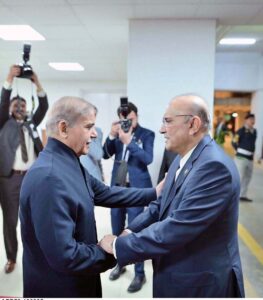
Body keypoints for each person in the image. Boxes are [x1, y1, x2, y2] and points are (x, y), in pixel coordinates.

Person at [99, 94, 245, 298]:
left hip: (200, 283)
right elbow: (159, 206)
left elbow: (177, 228)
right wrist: (130, 231)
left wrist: (117, 246)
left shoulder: (214, 167)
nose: (161, 129)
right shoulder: (181, 158)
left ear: (193, 124)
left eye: (168, 121)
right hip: (177, 273)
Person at [19, 96, 162, 298]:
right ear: (63, 128)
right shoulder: (49, 177)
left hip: (81, 281)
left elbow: (105, 192)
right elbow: (66, 257)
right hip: (61, 289)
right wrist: (112, 250)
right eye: (89, 127)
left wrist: (155, 193)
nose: (95, 134)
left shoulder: (69, 162)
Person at [0, 65, 48, 274]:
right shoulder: (3, 123)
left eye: (23, 105)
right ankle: (11, 257)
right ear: (10, 109)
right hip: (9, 179)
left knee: (35, 218)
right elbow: (2, 103)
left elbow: (44, 106)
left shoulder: (31, 124)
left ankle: (38, 255)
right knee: (10, 221)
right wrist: (10, 78)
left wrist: (36, 83)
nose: (20, 107)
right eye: (16, 105)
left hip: (32, 179)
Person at [103, 101, 155, 293]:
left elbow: (147, 158)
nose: (127, 122)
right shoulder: (117, 134)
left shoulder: (147, 134)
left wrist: (129, 142)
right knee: (116, 228)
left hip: (136, 191)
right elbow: (104, 154)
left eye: (131, 119)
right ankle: (120, 263)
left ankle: (140, 273)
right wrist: (111, 135)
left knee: (134, 232)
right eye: (124, 119)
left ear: (137, 116)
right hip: (117, 190)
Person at [232, 112, 257, 202]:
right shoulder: (240, 131)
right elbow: (234, 142)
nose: (253, 121)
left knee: (247, 177)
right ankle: (234, 196)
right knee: (239, 177)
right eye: (251, 119)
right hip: (241, 158)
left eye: (253, 119)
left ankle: (242, 195)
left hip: (250, 158)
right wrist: (239, 151)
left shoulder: (254, 131)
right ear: (246, 120)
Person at [80, 106, 104, 181]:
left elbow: (98, 155)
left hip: (93, 176)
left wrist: (102, 175)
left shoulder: (97, 131)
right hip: (78, 176)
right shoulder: (75, 131)